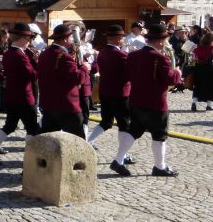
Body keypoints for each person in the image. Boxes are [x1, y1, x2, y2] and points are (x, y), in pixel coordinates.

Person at [110, 23, 182, 177]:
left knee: (134, 130)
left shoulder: (133, 55)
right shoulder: (160, 58)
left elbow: (128, 75)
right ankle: (159, 167)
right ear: (160, 41)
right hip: (156, 102)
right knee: (159, 135)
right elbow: (171, 80)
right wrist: (177, 72)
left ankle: (118, 160)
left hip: (136, 100)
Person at [0, 23, 41, 166]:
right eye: (28, 38)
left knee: (9, 126)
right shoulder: (20, 55)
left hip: (11, 96)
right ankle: (28, 161)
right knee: (32, 128)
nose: (30, 41)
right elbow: (32, 75)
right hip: (24, 97)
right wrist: (36, 62)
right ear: (22, 38)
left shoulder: (9, 53)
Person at [86, 25, 135, 163]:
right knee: (124, 124)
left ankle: (87, 142)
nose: (123, 40)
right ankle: (122, 155)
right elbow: (129, 74)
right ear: (118, 39)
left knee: (106, 122)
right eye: (122, 38)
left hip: (105, 91)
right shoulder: (122, 55)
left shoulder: (102, 52)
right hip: (120, 93)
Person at [36, 24, 86, 139]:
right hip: (66, 105)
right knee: (77, 141)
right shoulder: (64, 56)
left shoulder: (44, 53)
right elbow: (77, 78)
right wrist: (84, 67)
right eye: (71, 37)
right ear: (65, 39)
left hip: (49, 104)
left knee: (49, 140)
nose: (73, 40)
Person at [190, 32, 213, 111]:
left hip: (198, 69)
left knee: (197, 86)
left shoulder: (197, 48)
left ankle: (194, 102)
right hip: (209, 69)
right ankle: (209, 105)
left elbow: (193, 58)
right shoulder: (211, 48)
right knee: (210, 87)